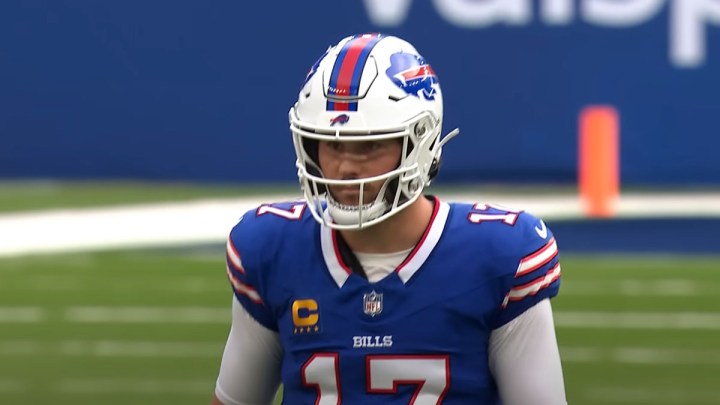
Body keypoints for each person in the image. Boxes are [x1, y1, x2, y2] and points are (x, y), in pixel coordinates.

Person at [210, 33, 567, 405]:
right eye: (332, 144)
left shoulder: (500, 257)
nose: (345, 167)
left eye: (369, 146)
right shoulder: (271, 249)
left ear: (420, 144)